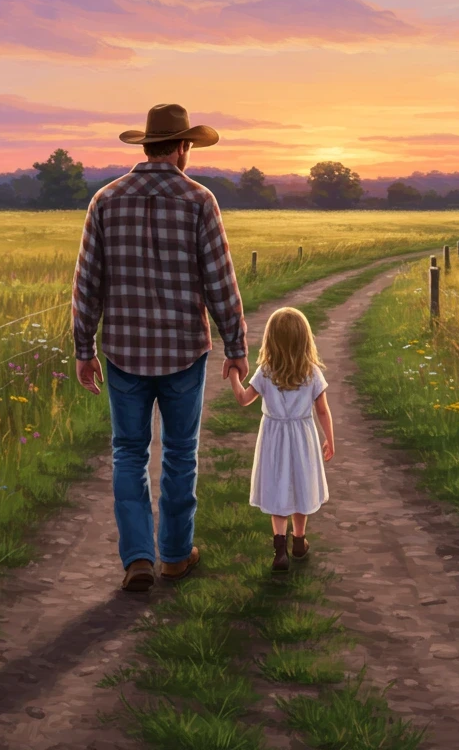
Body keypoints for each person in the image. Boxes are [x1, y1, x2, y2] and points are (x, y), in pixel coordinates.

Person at [71, 103, 248, 592]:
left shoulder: (105, 200)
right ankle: (173, 554)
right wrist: (235, 343)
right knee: (180, 453)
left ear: (147, 145)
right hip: (184, 351)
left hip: (123, 350)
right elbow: (220, 281)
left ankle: (138, 559)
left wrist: (83, 349)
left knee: (127, 452)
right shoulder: (199, 200)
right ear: (183, 147)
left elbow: (87, 283)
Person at [227, 307, 335, 572]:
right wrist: (330, 439)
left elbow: (243, 399)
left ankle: (280, 550)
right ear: (304, 339)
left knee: (279, 489)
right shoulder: (311, 372)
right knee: (301, 486)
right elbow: (322, 410)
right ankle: (299, 539)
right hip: (303, 437)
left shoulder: (266, 372)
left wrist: (232, 374)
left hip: (274, 438)